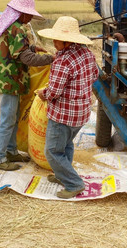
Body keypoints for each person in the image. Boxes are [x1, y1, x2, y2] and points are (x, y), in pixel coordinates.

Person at [36, 16, 98, 199]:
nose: (53, 43)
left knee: (52, 151)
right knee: (66, 144)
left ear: (66, 40)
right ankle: (63, 175)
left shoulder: (63, 61)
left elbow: (54, 91)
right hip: (82, 113)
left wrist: (43, 94)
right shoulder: (87, 53)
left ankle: (74, 183)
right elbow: (94, 75)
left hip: (63, 115)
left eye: (56, 39)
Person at [0, 0, 55, 171]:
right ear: (20, 13)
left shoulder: (11, 27)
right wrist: (49, 58)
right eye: (29, 14)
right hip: (10, 81)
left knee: (13, 117)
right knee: (7, 119)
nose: (31, 18)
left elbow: (16, 49)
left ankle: (11, 151)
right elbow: (25, 57)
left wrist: (35, 47)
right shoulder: (17, 29)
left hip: (11, 81)